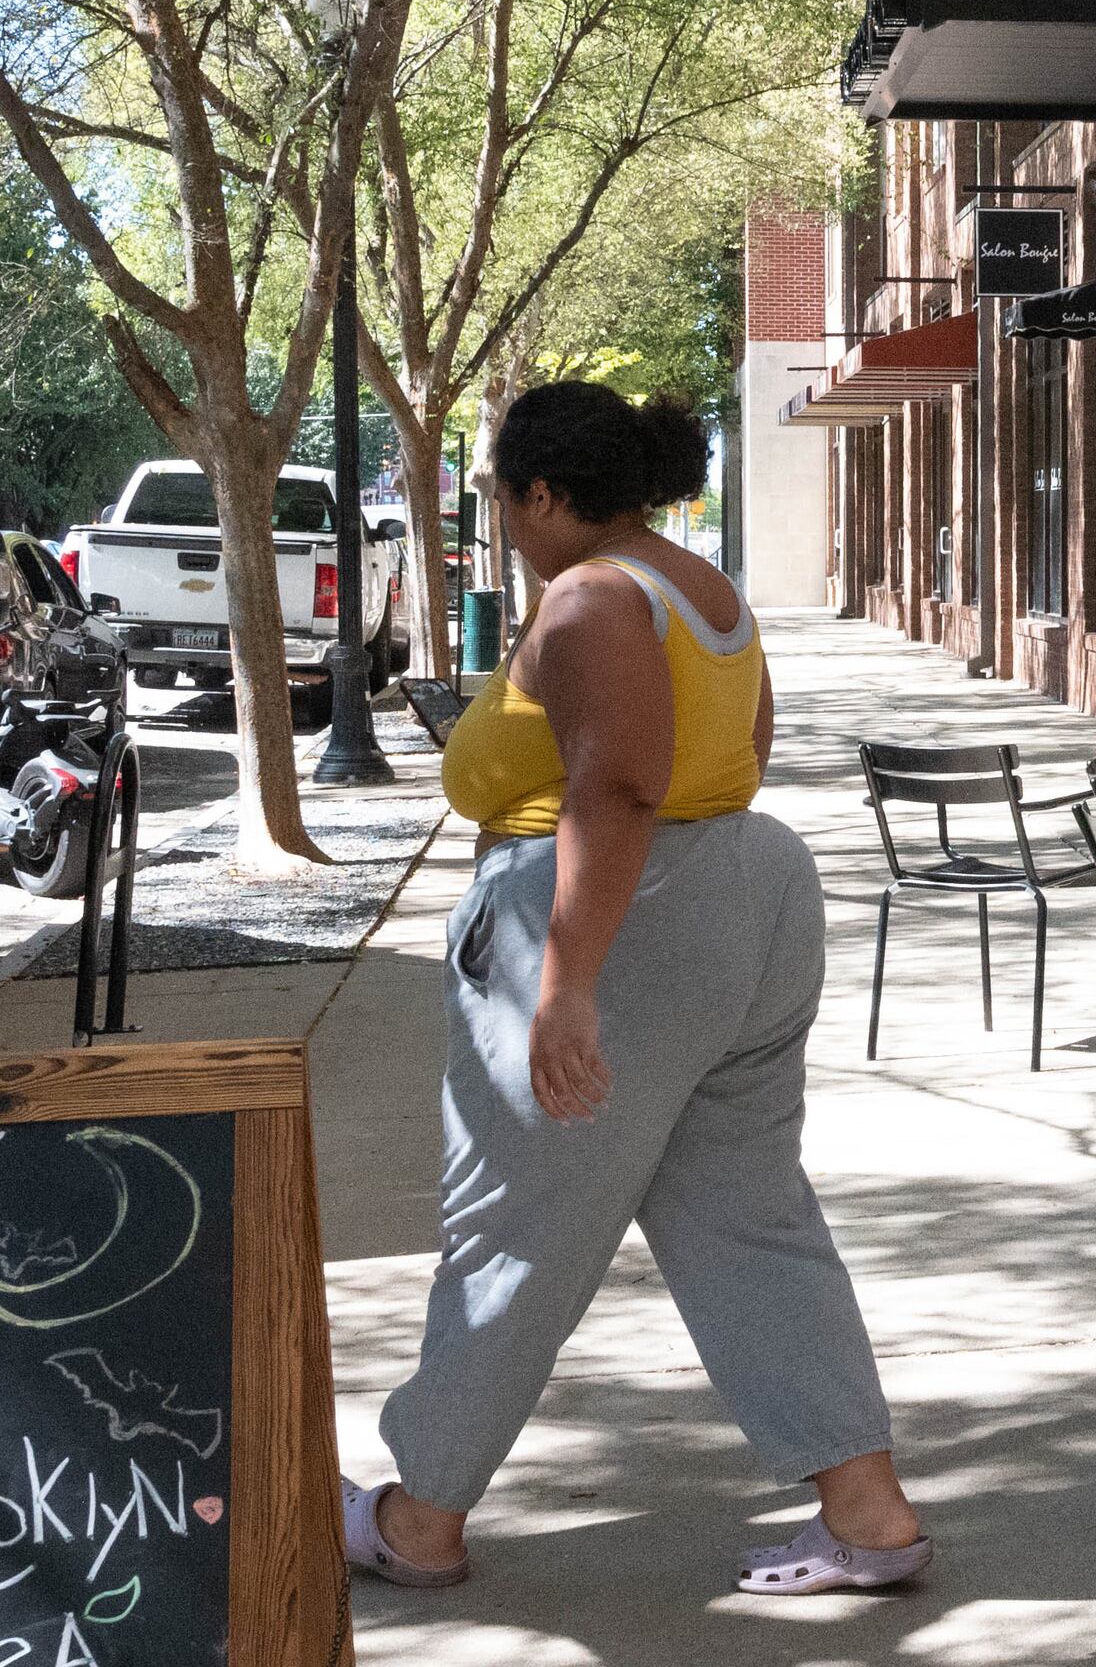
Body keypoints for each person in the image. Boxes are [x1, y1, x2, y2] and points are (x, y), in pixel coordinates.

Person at [347, 383, 929, 1597]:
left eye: (505, 500)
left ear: (547, 493)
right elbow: (741, 754)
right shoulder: (702, 591)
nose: (503, 526)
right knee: (751, 1217)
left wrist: (565, 983)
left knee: (519, 1220)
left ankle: (421, 1518)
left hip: (620, 919)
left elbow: (615, 789)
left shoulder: (588, 599)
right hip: (749, 896)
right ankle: (867, 1512)